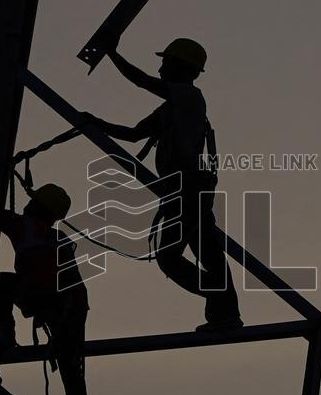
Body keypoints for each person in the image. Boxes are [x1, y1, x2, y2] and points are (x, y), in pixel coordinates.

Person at [83, 38, 242, 332]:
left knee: (170, 257)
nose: (159, 69)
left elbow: (143, 82)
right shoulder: (169, 109)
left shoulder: (192, 98)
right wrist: (95, 123)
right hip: (184, 190)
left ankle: (221, 302)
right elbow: (133, 134)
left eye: (166, 63)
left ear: (185, 70)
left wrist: (113, 54)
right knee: (208, 254)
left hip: (190, 189)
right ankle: (226, 315)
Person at [0, 184, 93, 395]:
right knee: (73, 371)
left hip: (53, 302)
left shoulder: (26, 227)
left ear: (38, 208)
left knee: (0, 283)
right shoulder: (59, 239)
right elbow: (76, 288)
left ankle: (7, 334)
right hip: (67, 305)